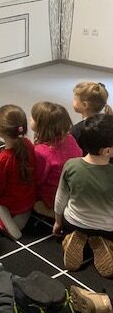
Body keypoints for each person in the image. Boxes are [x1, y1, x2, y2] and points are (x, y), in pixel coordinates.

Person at [53, 113, 113, 277]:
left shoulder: (71, 165)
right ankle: (103, 243)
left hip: (74, 222)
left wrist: (58, 222)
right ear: (107, 151)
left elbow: (60, 198)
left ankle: (72, 238)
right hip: (107, 228)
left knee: (73, 220)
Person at [0, 105, 36, 240]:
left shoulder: (1, 160)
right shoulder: (28, 144)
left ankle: (0, 219)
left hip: (11, 204)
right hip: (28, 198)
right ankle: (23, 213)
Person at [30, 102, 82, 219]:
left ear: (41, 126)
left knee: (32, 202)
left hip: (53, 195)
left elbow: (36, 179)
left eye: (32, 118)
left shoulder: (41, 152)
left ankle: (52, 212)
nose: (30, 118)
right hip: (72, 189)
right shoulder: (70, 138)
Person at [71, 81, 113, 155]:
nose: (72, 100)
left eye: (75, 99)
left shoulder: (76, 131)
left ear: (85, 105)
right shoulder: (109, 124)